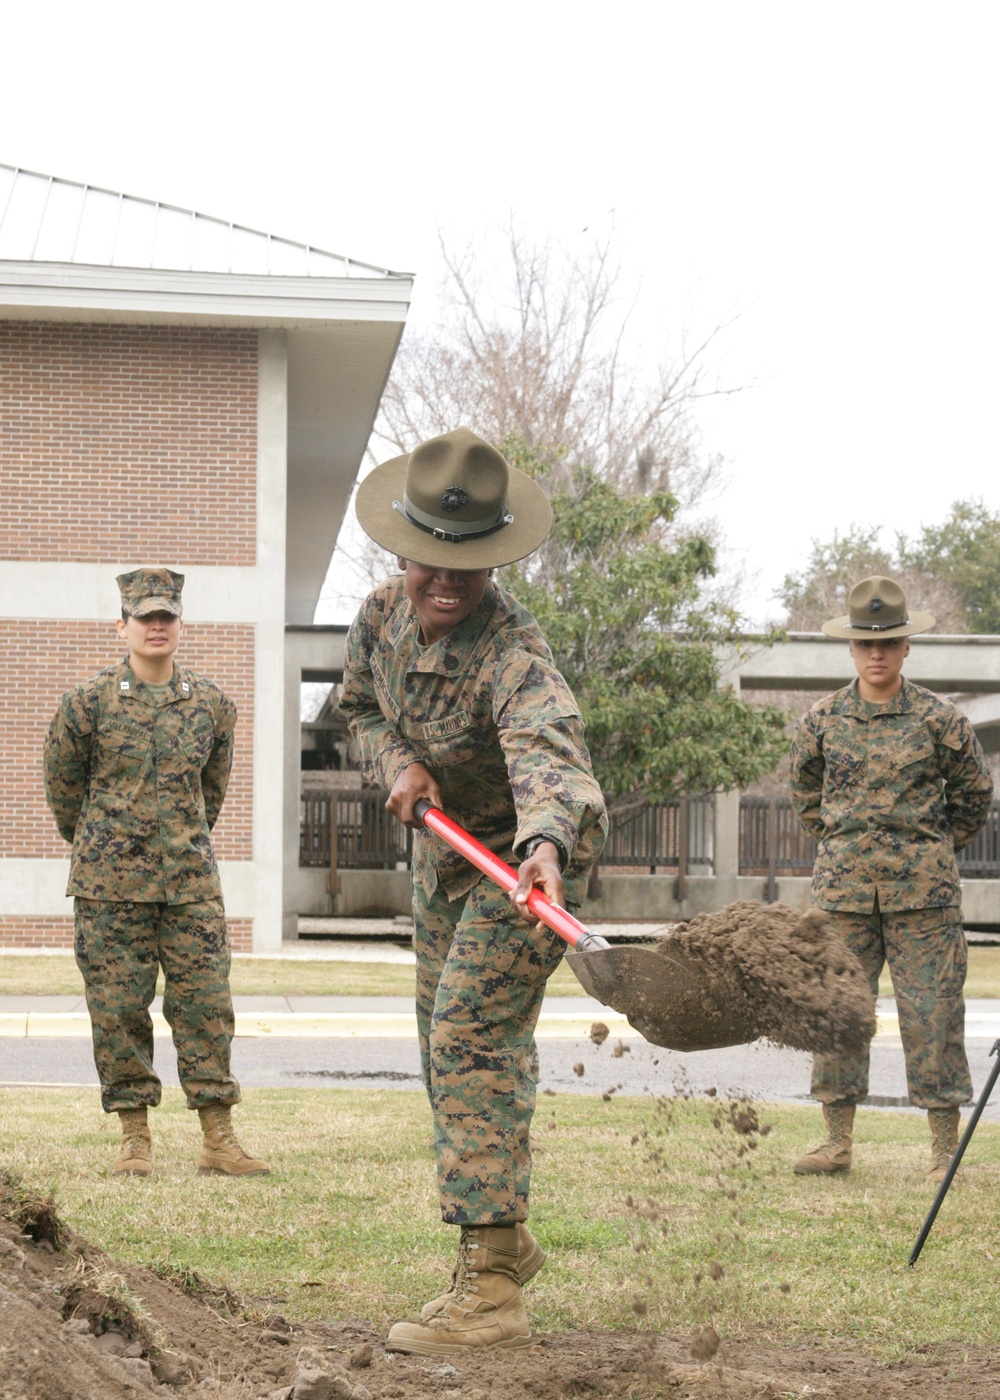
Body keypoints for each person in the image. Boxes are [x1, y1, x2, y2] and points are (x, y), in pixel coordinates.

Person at [340, 427, 607, 1355]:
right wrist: (398, 760)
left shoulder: (514, 653)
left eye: (472, 566)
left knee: (471, 1036)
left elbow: (550, 753)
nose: (447, 583)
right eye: (430, 563)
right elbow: (359, 709)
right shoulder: (377, 619)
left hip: (532, 868)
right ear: (402, 546)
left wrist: (545, 839)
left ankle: (490, 1293)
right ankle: (505, 1237)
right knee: (440, 1051)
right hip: (446, 862)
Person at [43, 567, 269, 1179]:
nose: (156, 626)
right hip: (109, 886)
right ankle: (134, 1139)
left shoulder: (213, 707)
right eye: (144, 617)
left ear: (180, 624)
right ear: (123, 625)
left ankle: (218, 1139)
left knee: (206, 1006)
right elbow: (64, 793)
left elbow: (211, 794)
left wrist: (177, 841)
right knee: (117, 1009)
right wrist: (102, 846)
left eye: (166, 616)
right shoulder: (85, 705)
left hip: (190, 885)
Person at [788, 576, 993, 1182]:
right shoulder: (821, 722)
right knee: (837, 1012)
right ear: (851, 650)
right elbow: (806, 798)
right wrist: (847, 850)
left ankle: (941, 1151)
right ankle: (836, 1143)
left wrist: (929, 849)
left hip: (923, 901)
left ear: (906, 647)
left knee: (932, 1015)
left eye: (889, 642)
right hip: (843, 898)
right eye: (865, 644)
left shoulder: (940, 720)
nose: (876, 653)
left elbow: (975, 796)